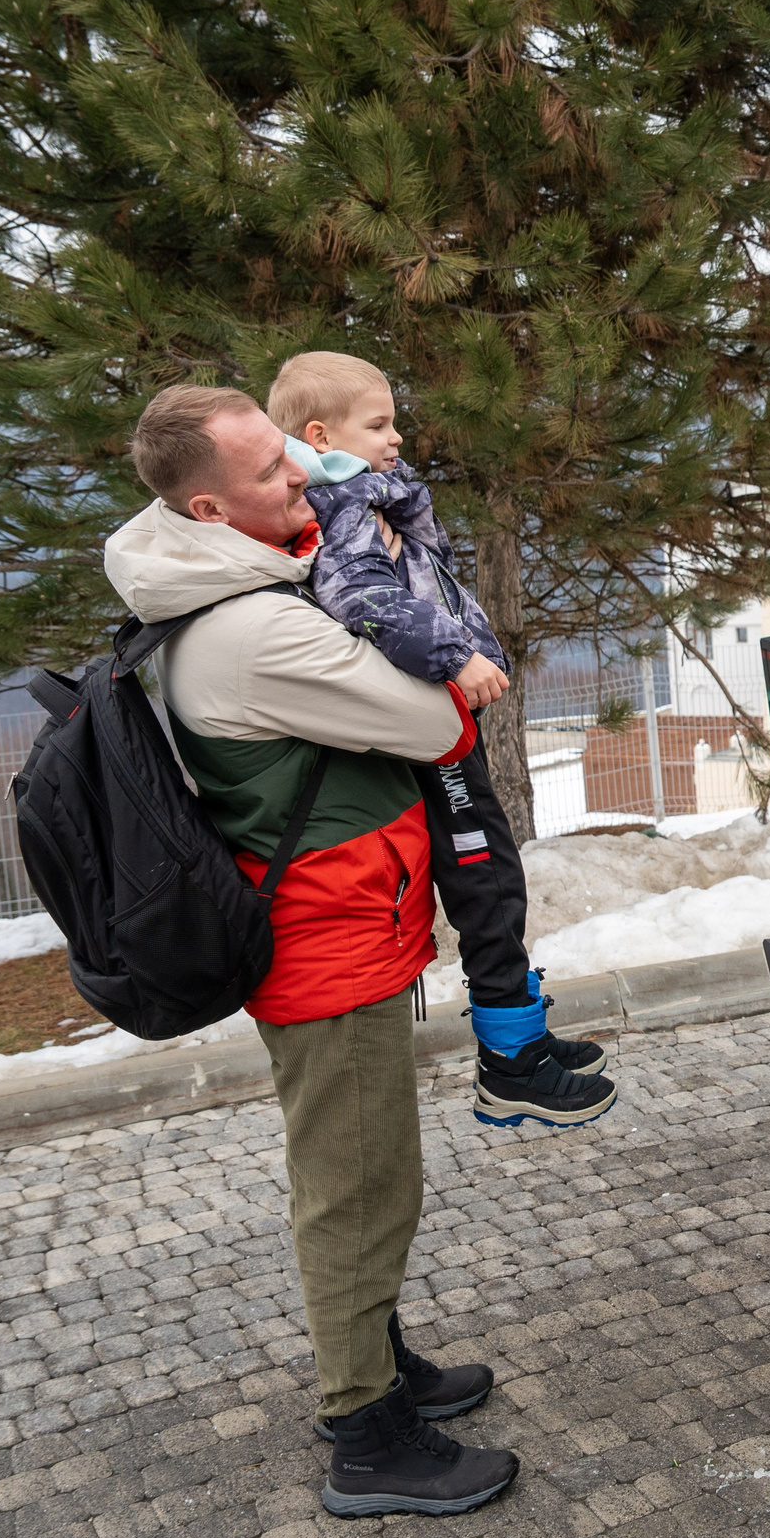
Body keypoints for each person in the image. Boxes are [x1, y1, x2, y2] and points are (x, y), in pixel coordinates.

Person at [104, 383, 516, 1519]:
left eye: (289, 453)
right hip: (324, 947)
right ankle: (363, 1430)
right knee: (358, 1187)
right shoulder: (254, 626)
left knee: (369, 1175)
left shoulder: (231, 575)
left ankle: (385, 1366)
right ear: (205, 502)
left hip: (348, 923)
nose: (301, 477)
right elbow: (439, 723)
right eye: (271, 473)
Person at [266, 351, 612, 1127]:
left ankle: (522, 1034)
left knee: (491, 878)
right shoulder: (345, 504)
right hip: (427, 727)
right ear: (320, 434)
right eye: (379, 424)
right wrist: (454, 656)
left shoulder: (366, 495)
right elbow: (363, 597)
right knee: (484, 882)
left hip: (439, 721)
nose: (397, 437)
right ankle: (511, 1060)